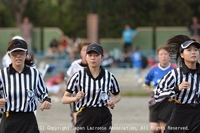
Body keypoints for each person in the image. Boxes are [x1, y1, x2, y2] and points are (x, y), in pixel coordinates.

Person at [62, 43, 121, 133]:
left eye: (96, 55)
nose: (93, 58)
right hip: (85, 115)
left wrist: (113, 101)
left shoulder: (109, 76)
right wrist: (75, 98)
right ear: (86, 57)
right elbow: (64, 99)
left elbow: (118, 95)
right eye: (90, 55)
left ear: (102, 58)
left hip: (103, 115)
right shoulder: (78, 76)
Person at [0, 39, 51, 133]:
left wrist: (46, 101)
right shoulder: (2, 74)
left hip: (29, 121)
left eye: (21, 53)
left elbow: (43, 93)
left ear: (26, 54)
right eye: (14, 53)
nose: (18, 56)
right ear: (9, 55)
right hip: (9, 119)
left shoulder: (34, 73)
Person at [154, 35, 200, 133]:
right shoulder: (175, 74)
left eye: (196, 50)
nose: (193, 52)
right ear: (182, 55)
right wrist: (176, 89)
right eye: (189, 50)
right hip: (181, 114)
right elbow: (157, 94)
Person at [144, 45, 177, 133]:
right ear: (158, 56)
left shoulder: (175, 69)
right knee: (155, 128)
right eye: (161, 54)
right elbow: (146, 83)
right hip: (155, 100)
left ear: (169, 56)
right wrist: (149, 89)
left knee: (164, 128)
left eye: (166, 54)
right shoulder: (153, 69)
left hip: (168, 101)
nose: (163, 56)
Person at [66, 42, 90, 126]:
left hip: (90, 97)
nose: (86, 52)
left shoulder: (94, 65)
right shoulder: (75, 64)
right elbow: (69, 78)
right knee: (78, 123)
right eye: (84, 50)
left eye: (88, 50)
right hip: (77, 96)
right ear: (80, 52)